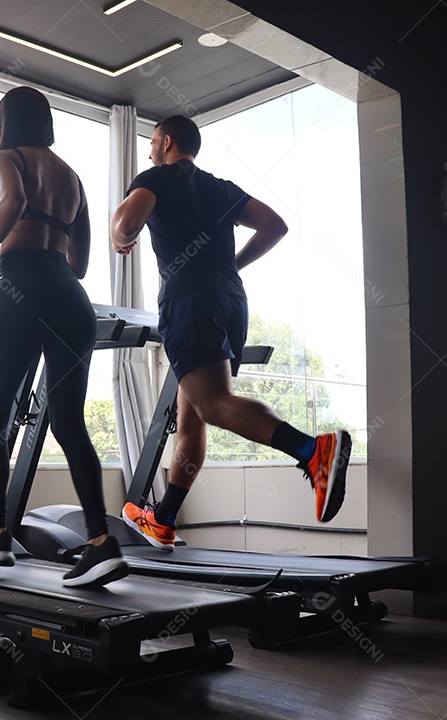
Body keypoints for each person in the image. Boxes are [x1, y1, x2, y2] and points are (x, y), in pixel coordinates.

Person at [110, 115, 352, 549]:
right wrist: (229, 268)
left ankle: (313, 452)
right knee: (193, 418)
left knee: (215, 404)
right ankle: (163, 519)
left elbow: (126, 226)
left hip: (188, 302)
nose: (148, 150)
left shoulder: (156, 177)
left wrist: (118, 234)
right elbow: (275, 225)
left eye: (151, 143)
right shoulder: (220, 187)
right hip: (230, 300)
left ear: (166, 142)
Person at [0, 87, 128, 588]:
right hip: (70, 298)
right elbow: (82, 262)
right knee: (68, 421)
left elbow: (14, 200)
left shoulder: (2, 157)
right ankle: (100, 543)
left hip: (21, 285)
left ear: (7, 121)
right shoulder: (72, 177)